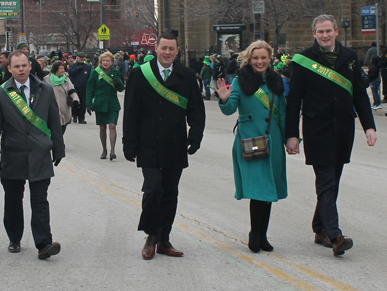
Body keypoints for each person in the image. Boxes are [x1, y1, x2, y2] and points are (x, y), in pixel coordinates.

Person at [286, 14, 377, 256]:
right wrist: (291, 135)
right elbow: (294, 100)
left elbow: (359, 94)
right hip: (317, 130)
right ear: (314, 34)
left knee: (333, 182)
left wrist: (369, 126)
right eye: (320, 31)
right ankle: (335, 235)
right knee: (326, 181)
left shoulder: (350, 57)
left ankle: (319, 228)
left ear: (336, 31)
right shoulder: (303, 60)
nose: (325, 35)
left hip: (344, 130)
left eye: (329, 30)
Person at [123, 31, 206, 260]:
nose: (167, 52)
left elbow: (196, 110)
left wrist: (195, 136)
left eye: (172, 49)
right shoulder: (140, 74)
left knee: (170, 193)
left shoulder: (187, 76)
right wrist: (128, 143)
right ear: (156, 50)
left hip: (175, 143)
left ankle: (164, 239)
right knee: (153, 189)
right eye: (163, 48)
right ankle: (151, 236)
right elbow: (131, 111)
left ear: (177, 51)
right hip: (147, 143)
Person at [0, 50, 65, 260]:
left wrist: (58, 148)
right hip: (13, 154)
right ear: (9, 69)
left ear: (30, 66)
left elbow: (53, 121)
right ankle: (14, 237)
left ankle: (43, 243)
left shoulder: (45, 90)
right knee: (13, 200)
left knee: (40, 200)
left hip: (40, 153)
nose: (21, 70)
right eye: (16, 66)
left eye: (24, 65)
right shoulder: (0, 93)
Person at [214, 40, 287, 253]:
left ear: (270, 58)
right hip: (250, 142)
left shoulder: (276, 81)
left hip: (272, 142)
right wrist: (224, 99)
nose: (259, 61)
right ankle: (254, 234)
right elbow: (229, 110)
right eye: (255, 58)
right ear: (249, 59)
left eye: (263, 57)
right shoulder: (239, 81)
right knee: (259, 189)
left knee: (269, 188)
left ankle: (263, 235)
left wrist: (291, 139)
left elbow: (282, 112)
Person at [86, 51, 124, 160]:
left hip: (112, 103)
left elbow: (121, 88)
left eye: (108, 61)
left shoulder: (116, 72)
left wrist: (119, 83)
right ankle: (104, 150)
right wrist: (88, 104)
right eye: (103, 61)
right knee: (102, 127)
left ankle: (112, 150)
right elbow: (90, 89)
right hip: (100, 103)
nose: (105, 62)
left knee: (112, 126)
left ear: (112, 62)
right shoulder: (95, 72)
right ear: (100, 62)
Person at [44, 60, 80, 134]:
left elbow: (72, 90)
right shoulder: (47, 79)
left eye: (63, 68)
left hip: (64, 109)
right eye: (61, 68)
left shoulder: (66, 78)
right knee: (55, 132)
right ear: (55, 69)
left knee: (62, 129)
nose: (63, 70)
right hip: (52, 109)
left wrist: (75, 100)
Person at [68, 52, 92, 124]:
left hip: (84, 88)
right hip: (75, 88)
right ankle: (74, 115)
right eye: (80, 58)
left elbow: (90, 77)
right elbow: (70, 73)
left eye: (82, 58)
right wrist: (77, 69)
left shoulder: (87, 67)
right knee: (75, 103)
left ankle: (81, 118)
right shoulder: (73, 66)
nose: (81, 60)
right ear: (77, 58)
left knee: (83, 104)